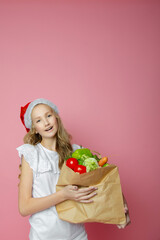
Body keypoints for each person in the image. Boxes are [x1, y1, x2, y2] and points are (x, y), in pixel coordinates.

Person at [16, 98, 98, 240]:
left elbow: (98, 184)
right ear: (34, 128)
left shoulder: (76, 151)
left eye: (48, 115)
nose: (46, 122)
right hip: (44, 236)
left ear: (56, 117)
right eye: (39, 120)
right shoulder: (31, 154)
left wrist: (120, 208)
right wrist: (63, 195)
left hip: (77, 235)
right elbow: (24, 207)